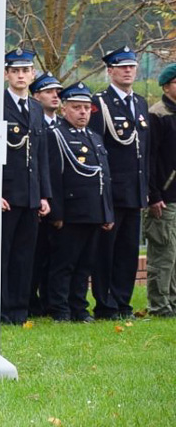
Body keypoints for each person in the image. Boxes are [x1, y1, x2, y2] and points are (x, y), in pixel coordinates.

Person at [0, 49, 51, 325]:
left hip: (29, 194)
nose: (20, 76)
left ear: (32, 75)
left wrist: (44, 194)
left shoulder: (36, 108)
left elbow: (41, 155)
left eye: (25, 71)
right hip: (4, 195)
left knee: (23, 257)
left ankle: (17, 310)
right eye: (15, 71)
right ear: (6, 74)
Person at [89, 46, 149, 320]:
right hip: (112, 191)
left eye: (131, 66)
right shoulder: (99, 103)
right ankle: (106, 304)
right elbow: (96, 148)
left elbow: (144, 151)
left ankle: (123, 302)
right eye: (121, 66)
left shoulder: (140, 103)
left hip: (134, 191)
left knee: (127, 251)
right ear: (110, 71)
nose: (128, 71)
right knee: (107, 252)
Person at [47, 82, 114, 322]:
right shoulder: (56, 135)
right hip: (72, 212)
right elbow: (54, 176)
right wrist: (57, 213)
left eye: (86, 108)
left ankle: (79, 308)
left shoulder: (95, 137)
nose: (83, 112)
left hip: (94, 212)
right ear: (65, 109)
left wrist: (107, 213)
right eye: (77, 108)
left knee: (85, 265)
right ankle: (60, 309)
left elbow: (103, 178)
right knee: (64, 264)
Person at [28, 71, 63, 316]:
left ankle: (49, 301)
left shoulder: (63, 126)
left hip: (56, 200)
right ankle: (31, 301)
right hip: (32, 197)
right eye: (49, 91)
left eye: (57, 92)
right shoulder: (34, 121)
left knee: (54, 257)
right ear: (36, 95)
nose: (55, 96)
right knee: (33, 256)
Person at [145, 63, 176, 317]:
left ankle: (173, 302)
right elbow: (150, 158)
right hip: (164, 199)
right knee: (162, 255)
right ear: (166, 86)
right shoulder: (157, 114)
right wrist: (154, 195)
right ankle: (159, 305)